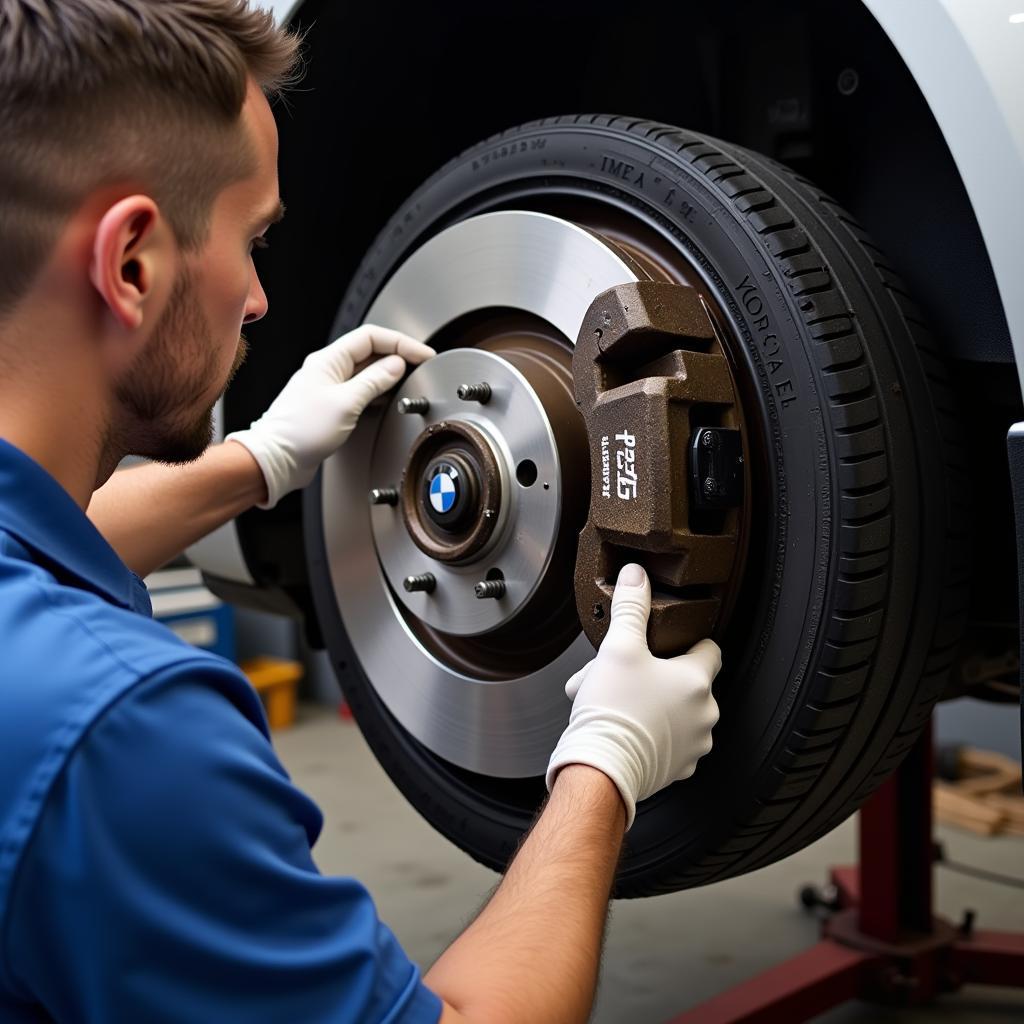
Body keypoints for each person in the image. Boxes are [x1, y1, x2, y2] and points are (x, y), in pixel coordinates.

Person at [0, 2, 721, 1022]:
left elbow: (40, 550)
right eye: (253, 241)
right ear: (130, 265)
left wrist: (261, 458)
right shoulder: (117, 734)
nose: (259, 299)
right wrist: (603, 763)